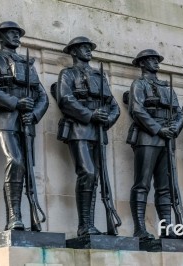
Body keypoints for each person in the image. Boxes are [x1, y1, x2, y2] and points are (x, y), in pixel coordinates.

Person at [0, 21, 49, 230]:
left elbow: (42, 96)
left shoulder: (27, 64)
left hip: (27, 122)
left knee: (27, 168)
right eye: (11, 33)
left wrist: (35, 114)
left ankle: (29, 218)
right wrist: (15, 102)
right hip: (5, 119)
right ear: (0, 37)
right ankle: (13, 217)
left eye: (17, 33)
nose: (16, 36)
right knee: (16, 161)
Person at [54, 36, 120, 237]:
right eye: (84, 48)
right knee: (88, 173)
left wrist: (107, 119)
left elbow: (114, 105)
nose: (89, 50)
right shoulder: (67, 74)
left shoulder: (100, 76)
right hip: (79, 129)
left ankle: (89, 225)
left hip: (99, 131)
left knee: (97, 178)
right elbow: (65, 99)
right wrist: (90, 114)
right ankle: (84, 225)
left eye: (89, 48)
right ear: (73, 52)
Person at [127, 49, 183, 241]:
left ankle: (166, 227)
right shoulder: (139, 84)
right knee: (142, 184)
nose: (156, 63)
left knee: (165, 187)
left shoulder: (167, 87)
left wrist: (174, 128)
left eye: (156, 60)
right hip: (147, 137)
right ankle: (140, 228)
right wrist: (159, 130)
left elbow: (179, 113)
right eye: (151, 60)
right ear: (142, 64)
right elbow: (137, 109)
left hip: (168, 138)